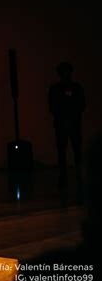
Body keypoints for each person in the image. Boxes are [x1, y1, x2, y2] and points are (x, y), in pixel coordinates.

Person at [48, 61, 85, 202]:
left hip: (70, 124)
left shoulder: (75, 88)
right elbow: (53, 106)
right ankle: (65, 176)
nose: (65, 74)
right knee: (64, 151)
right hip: (64, 124)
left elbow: (81, 104)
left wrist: (67, 116)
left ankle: (75, 176)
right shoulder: (59, 89)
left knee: (75, 151)